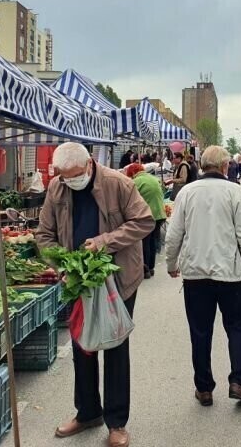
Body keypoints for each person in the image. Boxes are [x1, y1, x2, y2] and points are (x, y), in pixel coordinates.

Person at [37, 143, 154, 447]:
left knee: (115, 344)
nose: (70, 181)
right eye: (65, 176)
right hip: (79, 280)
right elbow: (44, 235)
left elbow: (144, 221)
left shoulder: (119, 184)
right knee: (82, 345)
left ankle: (117, 422)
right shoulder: (57, 187)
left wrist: (104, 242)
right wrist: (62, 263)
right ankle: (88, 412)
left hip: (118, 278)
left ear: (89, 164)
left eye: (75, 175)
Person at [165, 145, 241, 407]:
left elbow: (174, 234)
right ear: (226, 166)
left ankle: (204, 388)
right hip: (232, 274)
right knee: (237, 327)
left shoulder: (187, 192)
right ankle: (238, 381)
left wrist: (171, 263)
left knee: (200, 331)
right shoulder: (235, 191)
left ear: (202, 165)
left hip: (196, 274)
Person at [124, 163, 166, 280]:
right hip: (160, 214)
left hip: (148, 215)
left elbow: (128, 198)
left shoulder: (136, 182)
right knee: (152, 241)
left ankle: (145, 269)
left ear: (133, 173)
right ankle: (151, 267)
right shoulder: (153, 178)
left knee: (144, 242)